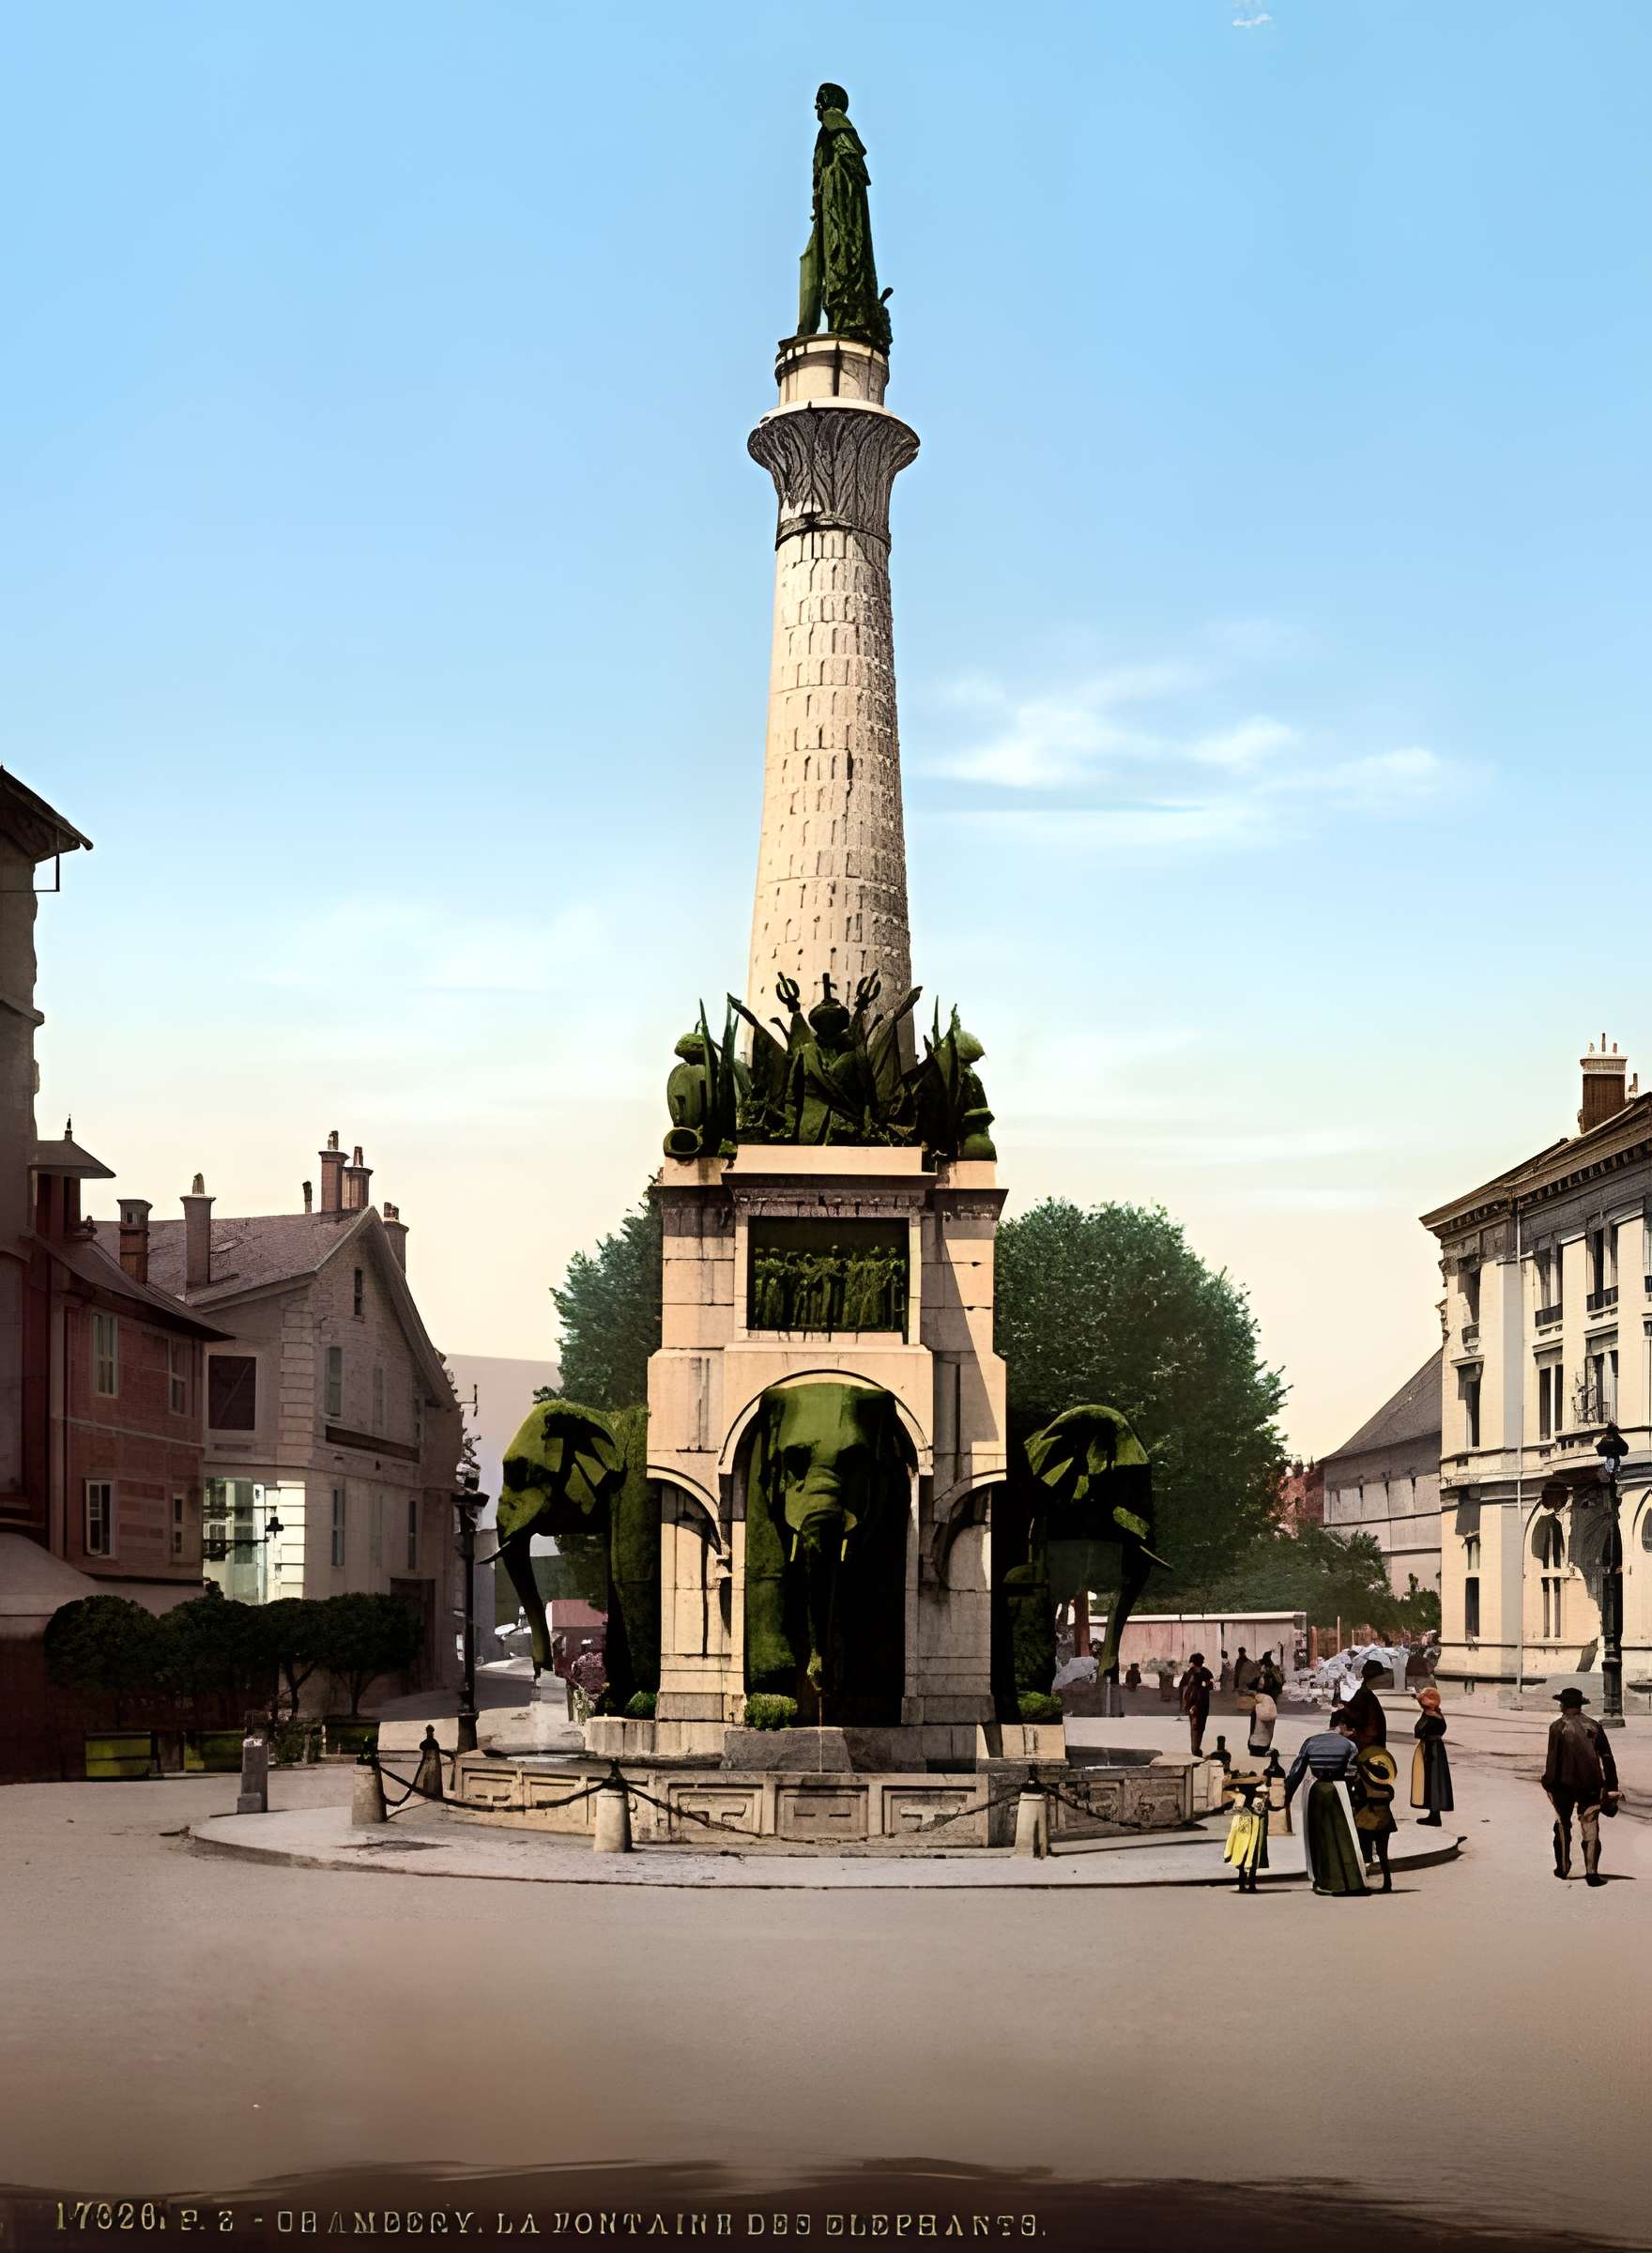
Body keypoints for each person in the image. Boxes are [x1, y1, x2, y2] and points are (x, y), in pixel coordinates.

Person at [1282, 1713, 1368, 1896]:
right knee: (1343, 1837)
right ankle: (1349, 1881)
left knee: (1318, 1837)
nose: (1352, 1734)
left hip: (1317, 1791)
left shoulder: (1310, 1742)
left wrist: (1286, 1796)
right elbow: (1352, 1774)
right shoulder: (1349, 1746)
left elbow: (1297, 1771)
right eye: (1350, 1730)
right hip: (1339, 1791)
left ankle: (1324, 1880)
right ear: (1342, 1726)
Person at [1543, 1687, 1620, 1886]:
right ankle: (1592, 1873)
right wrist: (1611, 1786)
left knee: (1562, 1824)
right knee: (1591, 1826)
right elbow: (1607, 1758)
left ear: (1563, 1705)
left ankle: (1563, 1867)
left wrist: (1549, 1783)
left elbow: (1553, 1761)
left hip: (1563, 1784)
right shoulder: (1594, 1726)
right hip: (1591, 1785)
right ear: (1579, 1705)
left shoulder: (1557, 1727)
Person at [1353, 1742, 1400, 1893]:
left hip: (1365, 1822)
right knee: (1383, 1853)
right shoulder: (1388, 1788)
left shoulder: (1362, 1784)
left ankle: (1362, 1883)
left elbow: (1356, 1799)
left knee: (1364, 1854)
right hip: (1384, 1822)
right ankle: (1387, 1883)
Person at [1411, 1687, 1454, 1826]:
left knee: (1431, 1781)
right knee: (1437, 1781)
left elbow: (1418, 1731)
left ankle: (1434, 1815)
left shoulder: (1429, 1716)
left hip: (1430, 1750)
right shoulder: (1439, 1715)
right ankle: (1434, 1814)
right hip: (1437, 1749)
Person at [1224, 1777, 1269, 1895]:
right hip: (1253, 1833)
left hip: (1242, 1834)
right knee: (1252, 1858)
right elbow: (1262, 1814)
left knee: (1241, 1857)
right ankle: (1252, 1884)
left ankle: (1242, 1884)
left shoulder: (1240, 1800)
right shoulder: (1258, 1800)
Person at [1339, 1658, 1389, 1751]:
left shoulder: (1366, 1694)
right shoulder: (1366, 1693)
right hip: (1371, 1742)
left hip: (1368, 1742)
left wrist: (1344, 1709)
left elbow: (1357, 1716)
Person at [1178, 1652, 1215, 1756]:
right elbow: (1211, 1686)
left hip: (1192, 1704)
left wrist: (1184, 1704)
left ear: (1192, 1663)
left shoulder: (1188, 1674)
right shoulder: (1206, 1672)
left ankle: (1195, 1748)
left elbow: (1181, 1688)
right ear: (1201, 1662)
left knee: (1194, 1727)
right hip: (1202, 1704)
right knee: (1200, 1727)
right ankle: (1196, 1749)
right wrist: (1206, 1685)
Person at [1247, 1680, 1278, 1759]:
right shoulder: (1271, 1706)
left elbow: (1253, 1728)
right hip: (1265, 1746)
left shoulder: (1258, 1708)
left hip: (1254, 1746)